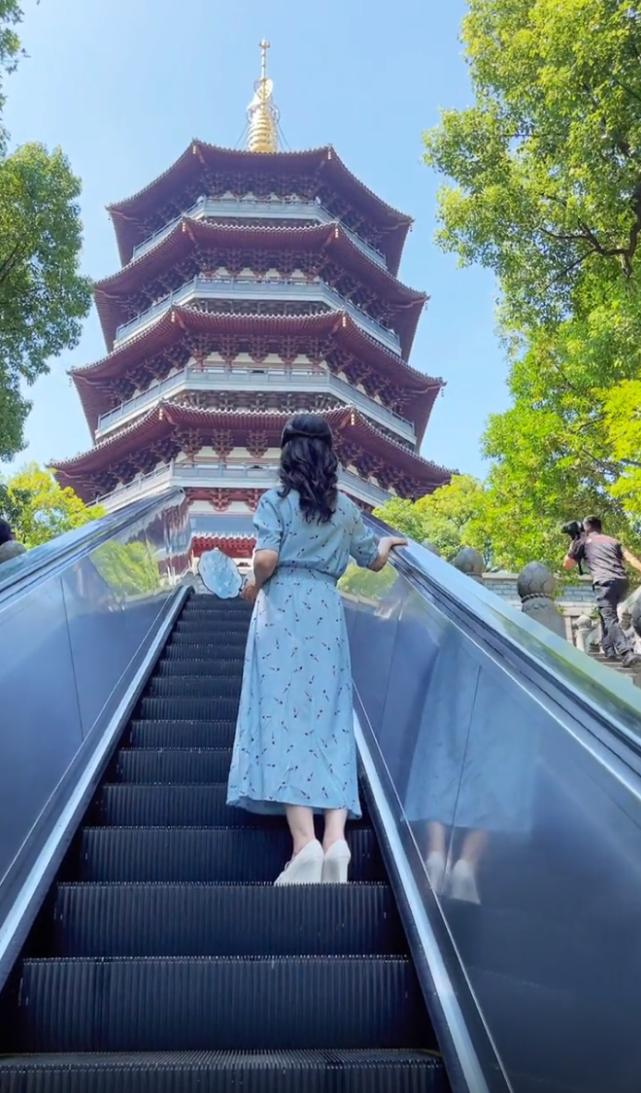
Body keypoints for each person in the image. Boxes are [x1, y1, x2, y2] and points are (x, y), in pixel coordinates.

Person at [226, 414, 406, 885]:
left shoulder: (275, 502)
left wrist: (252, 582)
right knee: (330, 719)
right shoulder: (345, 510)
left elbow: (265, 558)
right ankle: (336, 841)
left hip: (283, 608)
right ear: (329, 456)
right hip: (327, 610)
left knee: (286, 717)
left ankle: (303, 844)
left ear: (288, 454)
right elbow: (372, 558)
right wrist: (386, 542)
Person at [563, 515, 641, 665]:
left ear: (585, 528)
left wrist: (573, 542)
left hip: (604, 583)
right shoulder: (613, 541)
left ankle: (627, 652)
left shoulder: (582, 542)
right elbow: (631, 559)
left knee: (609, 618)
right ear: (600, 527)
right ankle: (609, 649)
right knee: (606, 614)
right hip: (622, 582)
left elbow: (567, 565)